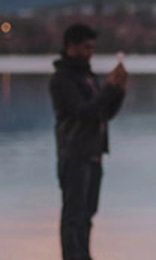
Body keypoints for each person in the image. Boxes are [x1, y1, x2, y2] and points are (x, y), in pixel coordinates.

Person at [49, 24, 127, 260]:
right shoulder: (62, 79)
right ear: (70, 47)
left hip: (93, 153)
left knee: (87, 215)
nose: (91, 52)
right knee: (74, 216)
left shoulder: (87, 77)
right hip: (74, 154)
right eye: (86, 47)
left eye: (93, 47)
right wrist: (109, 89)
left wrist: (118, 91)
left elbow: (103, 113)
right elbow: (82, 112)